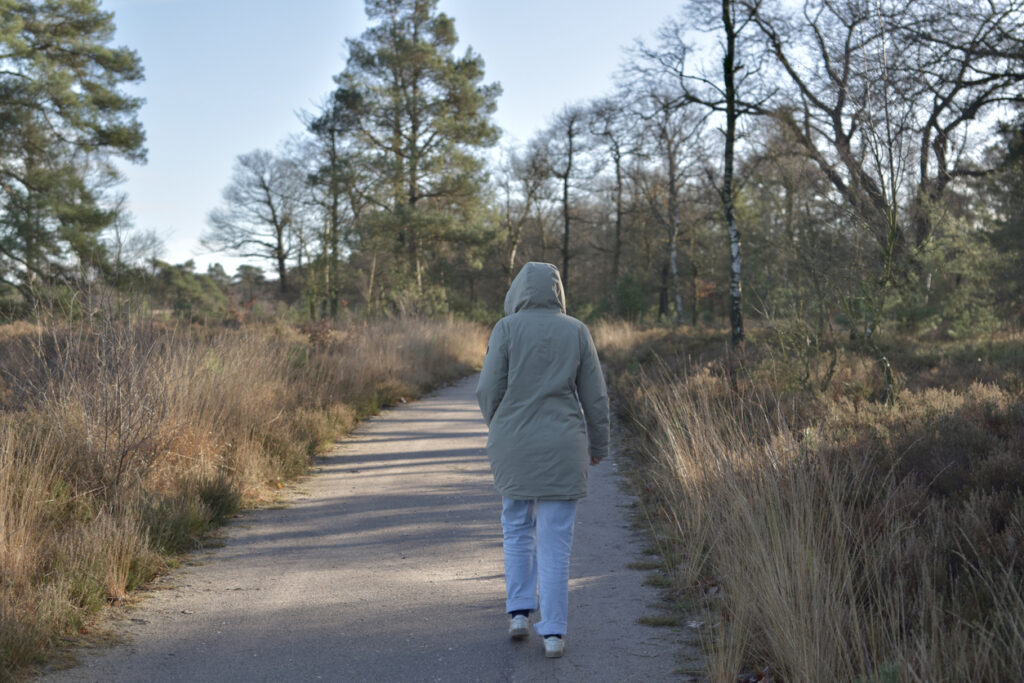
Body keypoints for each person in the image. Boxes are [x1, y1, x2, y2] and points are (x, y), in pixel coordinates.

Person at [475, 262, 610, 659]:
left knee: (515, 526)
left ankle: (518, 613)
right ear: (557, 292)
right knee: (556, 541)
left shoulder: (505, 329)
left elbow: (487, 389)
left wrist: (498, 425)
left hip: (514, 443)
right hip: (563, 444)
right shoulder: (577, 331)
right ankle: (553, 633)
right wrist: (598, 445)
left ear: (518, 291)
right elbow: (596, 397)